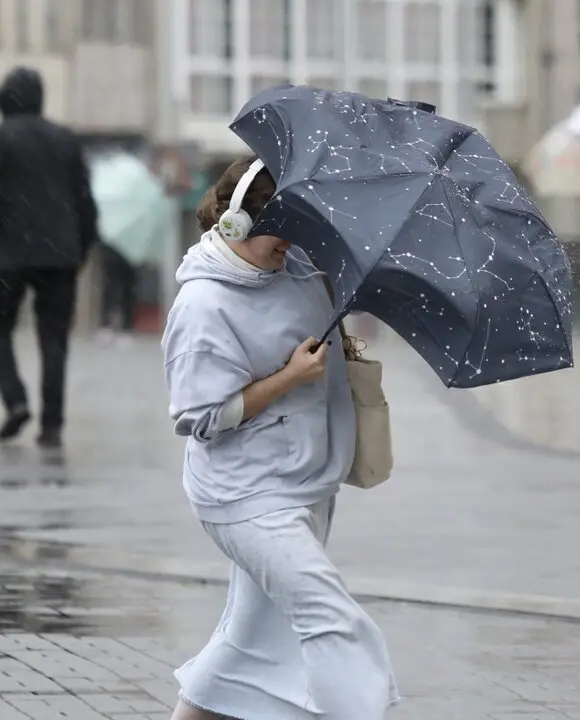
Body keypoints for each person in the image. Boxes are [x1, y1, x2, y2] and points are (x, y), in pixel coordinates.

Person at [162, 156, 398, 720]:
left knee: (251, 639)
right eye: (278, 236)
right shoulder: (203, 306)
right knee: (330, 618)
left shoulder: (297, 270)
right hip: (245, 496)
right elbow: (201, 416)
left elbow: (320, 305)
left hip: (308, 482)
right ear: (234, 224)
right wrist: (290, 377)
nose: (288, 247)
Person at [0, 67, 98, 448]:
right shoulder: (65, 140)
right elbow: (85, 203)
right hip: (60, 255)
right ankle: (52, 424)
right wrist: (80, 250)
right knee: (54, 339)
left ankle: (15, 401)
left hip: (9, 254)